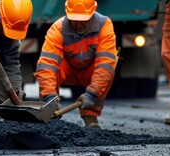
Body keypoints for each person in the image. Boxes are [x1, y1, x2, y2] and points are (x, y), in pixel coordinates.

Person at [35, 0, 117, 129]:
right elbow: (46, 65)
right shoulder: (58, 28)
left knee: (107, 68)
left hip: (89, 71)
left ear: (92, 13)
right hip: (69, 71)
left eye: (83, 20)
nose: (79, 24)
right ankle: (49, 115)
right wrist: (50, 98)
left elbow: (105, 64)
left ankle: (90, 115)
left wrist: (91, 94)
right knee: (48, 68)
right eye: (75, 19)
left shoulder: (104, 25)